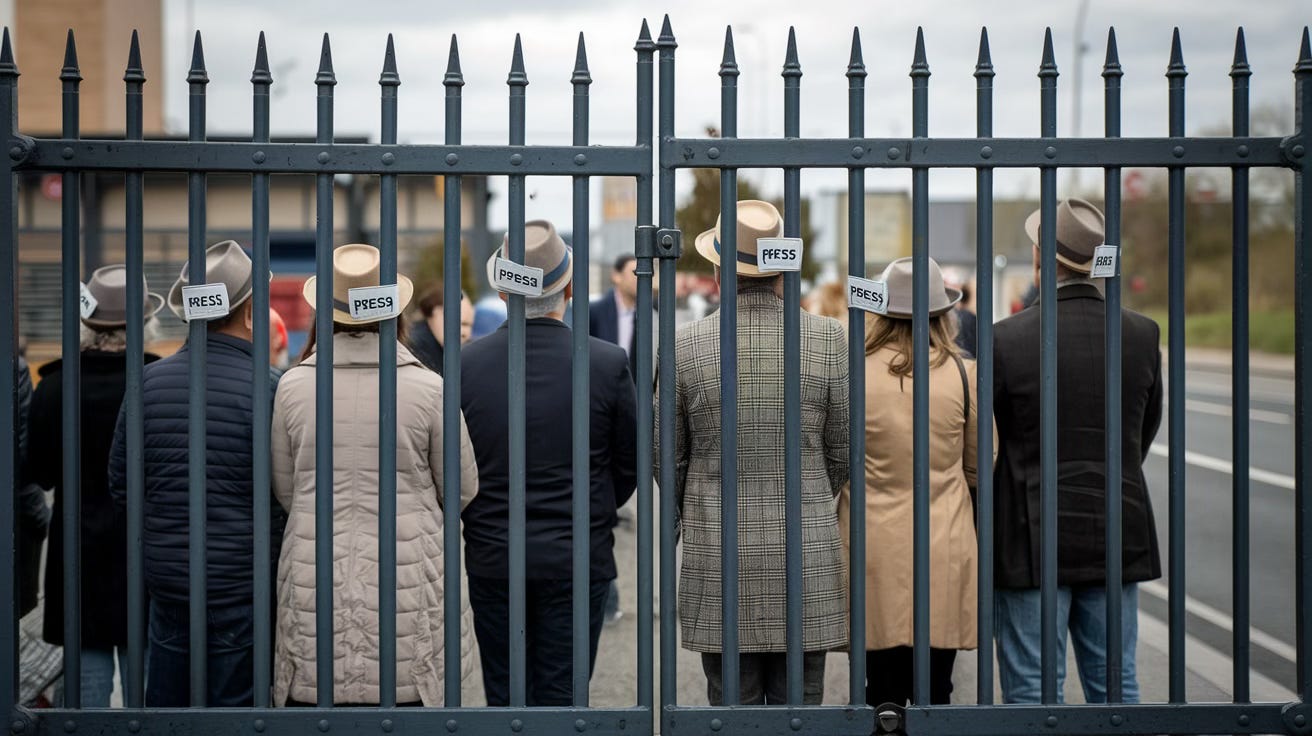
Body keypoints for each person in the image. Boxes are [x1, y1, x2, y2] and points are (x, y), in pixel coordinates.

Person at [654, 200, 849, 705]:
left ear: (719, 270)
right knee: (801, 713)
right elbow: (843, 453)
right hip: (804, 555)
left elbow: (665, 458)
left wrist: (688, 506)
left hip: (719, 552)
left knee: (731, 711)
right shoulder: (830, 341)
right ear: (783, 271)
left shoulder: (684, 347)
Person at [271, 243, 479, 706]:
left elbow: (285, 488)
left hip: (314, 578)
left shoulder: (293, 386)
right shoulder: (429, 387)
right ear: (393, 311)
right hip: (410, 589)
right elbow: (463, 487)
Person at [992, 197, 1163, 704]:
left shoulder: (1008, 339)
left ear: (1042, 257)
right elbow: (1143, 431)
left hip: (1031, 533)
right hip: (1116, 528)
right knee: (1117, 687)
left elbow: (988, 440)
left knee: (1031, 692)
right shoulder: (1141, 333)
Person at [460, 220, 637, 706]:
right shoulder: (605, 363)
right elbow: (628, 465)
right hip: (577, 554)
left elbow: (456, 469)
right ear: (572, 287)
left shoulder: (465, 365)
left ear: (500, 288)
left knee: (506, 696)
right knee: (564, 699)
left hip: (495, 555)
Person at [108, 241, 278, 707]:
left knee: (167, 711)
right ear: (247, 315)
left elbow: (122, 486)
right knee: (236, 713)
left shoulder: (147, 382)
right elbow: (286, 497)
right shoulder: (267, 388)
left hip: (167, 588)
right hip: (243, 589)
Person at [838, 257, 997, 707]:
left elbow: (836, 458)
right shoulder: (964, 375)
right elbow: (980, 464)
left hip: (871, 545)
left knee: (878, 692)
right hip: (943, 542)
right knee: (936, 690)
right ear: (942, 313)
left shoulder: (854, 371)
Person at [28, 266, 162, 706]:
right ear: (144, 322)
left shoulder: (54, 386)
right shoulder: (155, 382)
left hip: (78, 553)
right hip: (144, 552)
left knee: (86, 696)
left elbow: (39, 473)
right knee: (146, 696)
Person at [587, 252, 644, 625]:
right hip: (596, 413)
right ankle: (607, 600)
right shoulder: (595, 311)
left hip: (629, 414)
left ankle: (608, 599)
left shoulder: (650, 314)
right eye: (634, 272)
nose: (642, 279)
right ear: (616, 276)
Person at [408, 284, 475, 375]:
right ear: (437, 313)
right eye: (463, 324)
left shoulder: (430, 345)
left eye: (470, 326)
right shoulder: (414, 346)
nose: (467, 333)